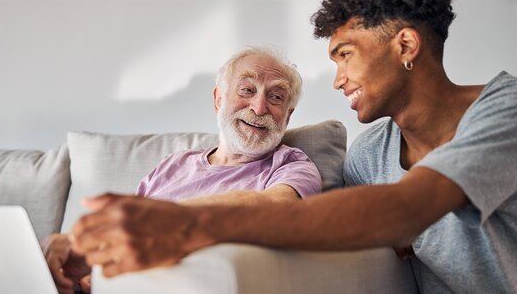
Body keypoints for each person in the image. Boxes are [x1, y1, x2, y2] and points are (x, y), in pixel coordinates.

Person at [70, 0, 517, 293]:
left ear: (405, 45)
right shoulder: (370, 153)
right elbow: (360, 235)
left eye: (344, 55)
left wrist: (188, 225)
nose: (338, 80)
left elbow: (408, 209)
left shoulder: (510, 108)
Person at [43, 46, 322, 294]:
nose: (259, 107)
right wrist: (85, 255)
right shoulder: (174, 164)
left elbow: (278, 209)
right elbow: (126, 235)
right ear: (218, 99)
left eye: (276, 97)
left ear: (288, 115)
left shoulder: (292, 165)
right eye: (247, 90)